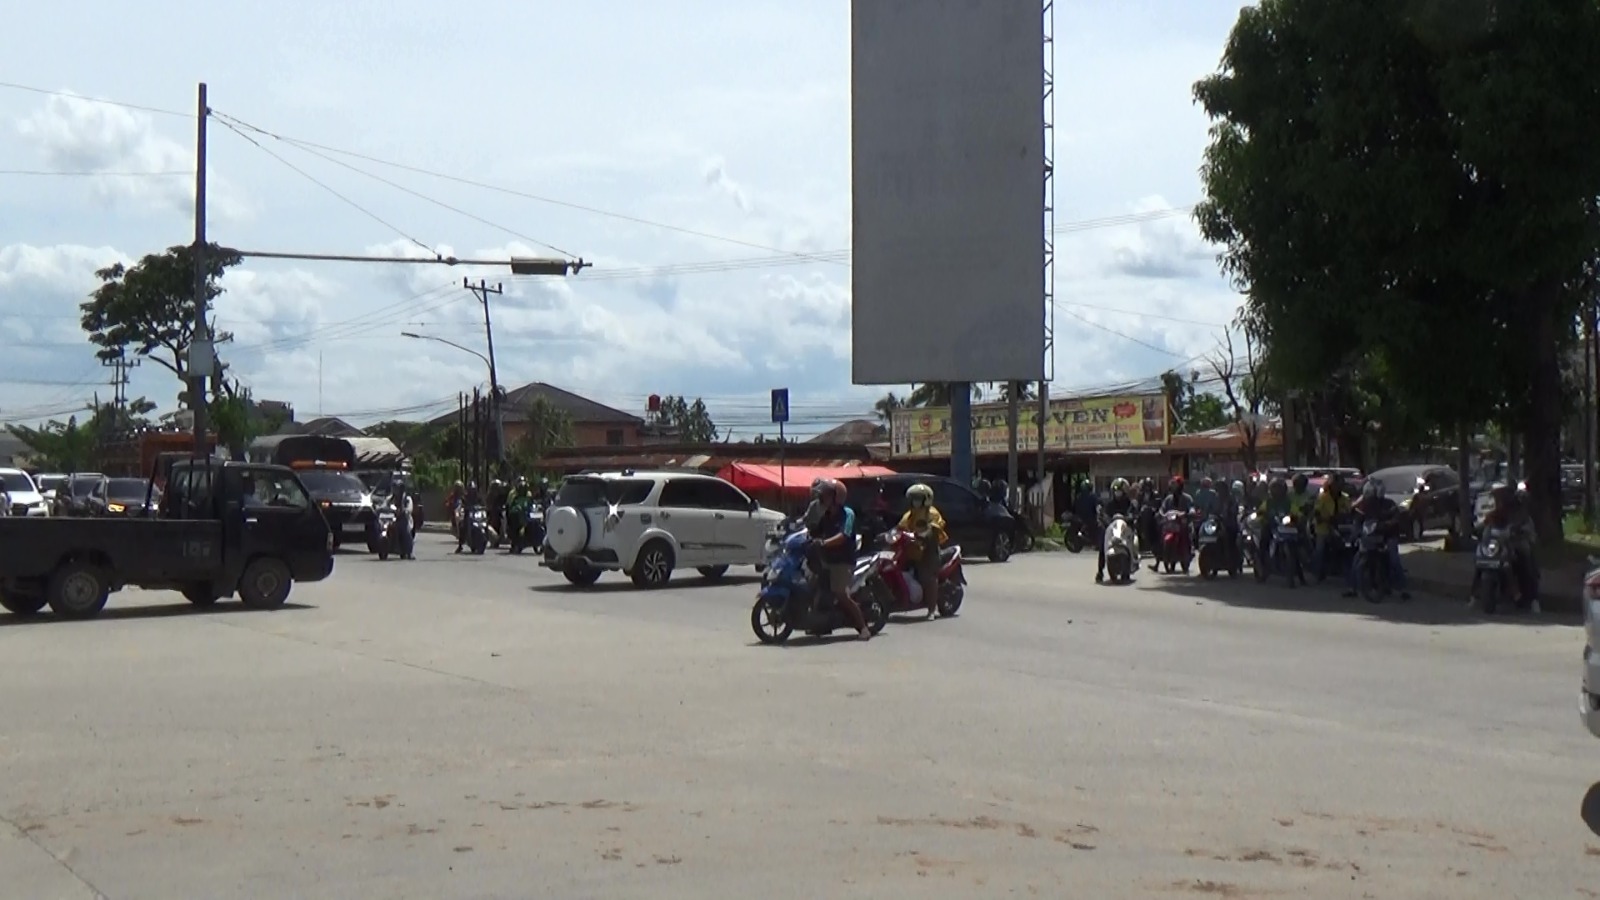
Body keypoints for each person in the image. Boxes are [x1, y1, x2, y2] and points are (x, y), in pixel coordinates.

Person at [807, 479, 870, 640]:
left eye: (826, 494)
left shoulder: (847, 514)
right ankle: (822, 624)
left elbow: (844, 535)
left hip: (843, 560)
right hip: (827, 558)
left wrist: (823, 542)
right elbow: (814, 530)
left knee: (840, 593)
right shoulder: (826, 514)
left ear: (837, 496)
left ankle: (863, 628)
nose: (822, 497)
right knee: (814, 586)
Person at [1342, 478, 1410, 601]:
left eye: (1371, 493)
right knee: (1357, 560)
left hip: (1388, 536)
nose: (1368, 496)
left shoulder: (1389, 504)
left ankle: (1402, 589)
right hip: (1370, 537)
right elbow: (1357, 520)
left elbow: (1396, 517)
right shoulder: (1364, 505)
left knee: (1394, 559)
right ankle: (1352, 587)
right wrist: (1355, 533)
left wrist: (1390, 523)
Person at [1476, 482, 1539, 612]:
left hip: (1516, 542)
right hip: (1497, 545)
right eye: (1496, 497)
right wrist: (1478, 529)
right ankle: (1474, 595)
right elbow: (1485, 525)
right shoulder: (1494, 513)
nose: (1499, 500)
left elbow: (1527, 527)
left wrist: (1520, 531)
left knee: (1525, 557)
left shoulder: (1519, 511)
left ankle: (1532, 598)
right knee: (1481, 559)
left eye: (1500, 497)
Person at [897, 483, 948, 619]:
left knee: (928, 577)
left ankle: (932, 610)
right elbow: (901, 527)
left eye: (918, 498)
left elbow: (934, 527)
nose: (915, 501)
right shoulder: (910, 514)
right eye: (914, 498)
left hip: (928, 549)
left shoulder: (932, 513)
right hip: (912, 546)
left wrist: (924, 534)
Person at [1311, 473, 1353, 581]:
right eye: (1335, 485)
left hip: (1340, 528)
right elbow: (1316, 511)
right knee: (1319, 549)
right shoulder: (1323, 497)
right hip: (1324, 527)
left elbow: (1349, 511)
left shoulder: (1345, 498)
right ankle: (1317, 573)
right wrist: (1322, 518)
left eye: (1339, 485)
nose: (1337, 487)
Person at [1096, 477, 1137, 583]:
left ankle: (1133, 562)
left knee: (1133, 540)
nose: (1117, 493)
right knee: (1102, 544)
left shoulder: (1129, 504)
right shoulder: (1109, 504)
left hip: (1125, 530)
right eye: (1116, 491)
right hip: (1113, 531)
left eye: (1119, 491)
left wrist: (1130, 518)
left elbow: (1133, 514)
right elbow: (1104, 515)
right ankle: (1100, 571)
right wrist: (1104, 519)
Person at [1155, 476, 1195, 571]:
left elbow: (1191, 508)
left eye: (1175, 485)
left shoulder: (1187, 498)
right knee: (1159, 533)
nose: (1173, 487)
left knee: (1187, 534)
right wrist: (1161, 514)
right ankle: (1158, 558)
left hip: (1183, 523)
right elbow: (1162, 508)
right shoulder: (1169, 498)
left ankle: (1187, 553)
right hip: (1170, 523)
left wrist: (1189, 513)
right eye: (1172, 485)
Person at [1256, 476, 1293, 571]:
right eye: (1275, 488)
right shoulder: (1268, 502)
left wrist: (1298, 515)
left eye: (1279, 488)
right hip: (1271, 526)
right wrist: (1261, 513)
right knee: (1264, 539)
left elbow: (1295, 510)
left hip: (1286, 526)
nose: (1277, 491)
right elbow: (1261, 510)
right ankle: (1262, 560)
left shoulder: (1288, 501)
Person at [456, 481, 483, 554]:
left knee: (483, 523)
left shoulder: (478, 497)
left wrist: (484, 508)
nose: (472, 492)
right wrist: (463, 508)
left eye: (473, 490)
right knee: (462, 526)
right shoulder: (465, 497)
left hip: (476, 514)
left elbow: (482, 504)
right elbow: (461, 505)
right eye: (471, 490)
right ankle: (460, 545)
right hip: (468, 514)